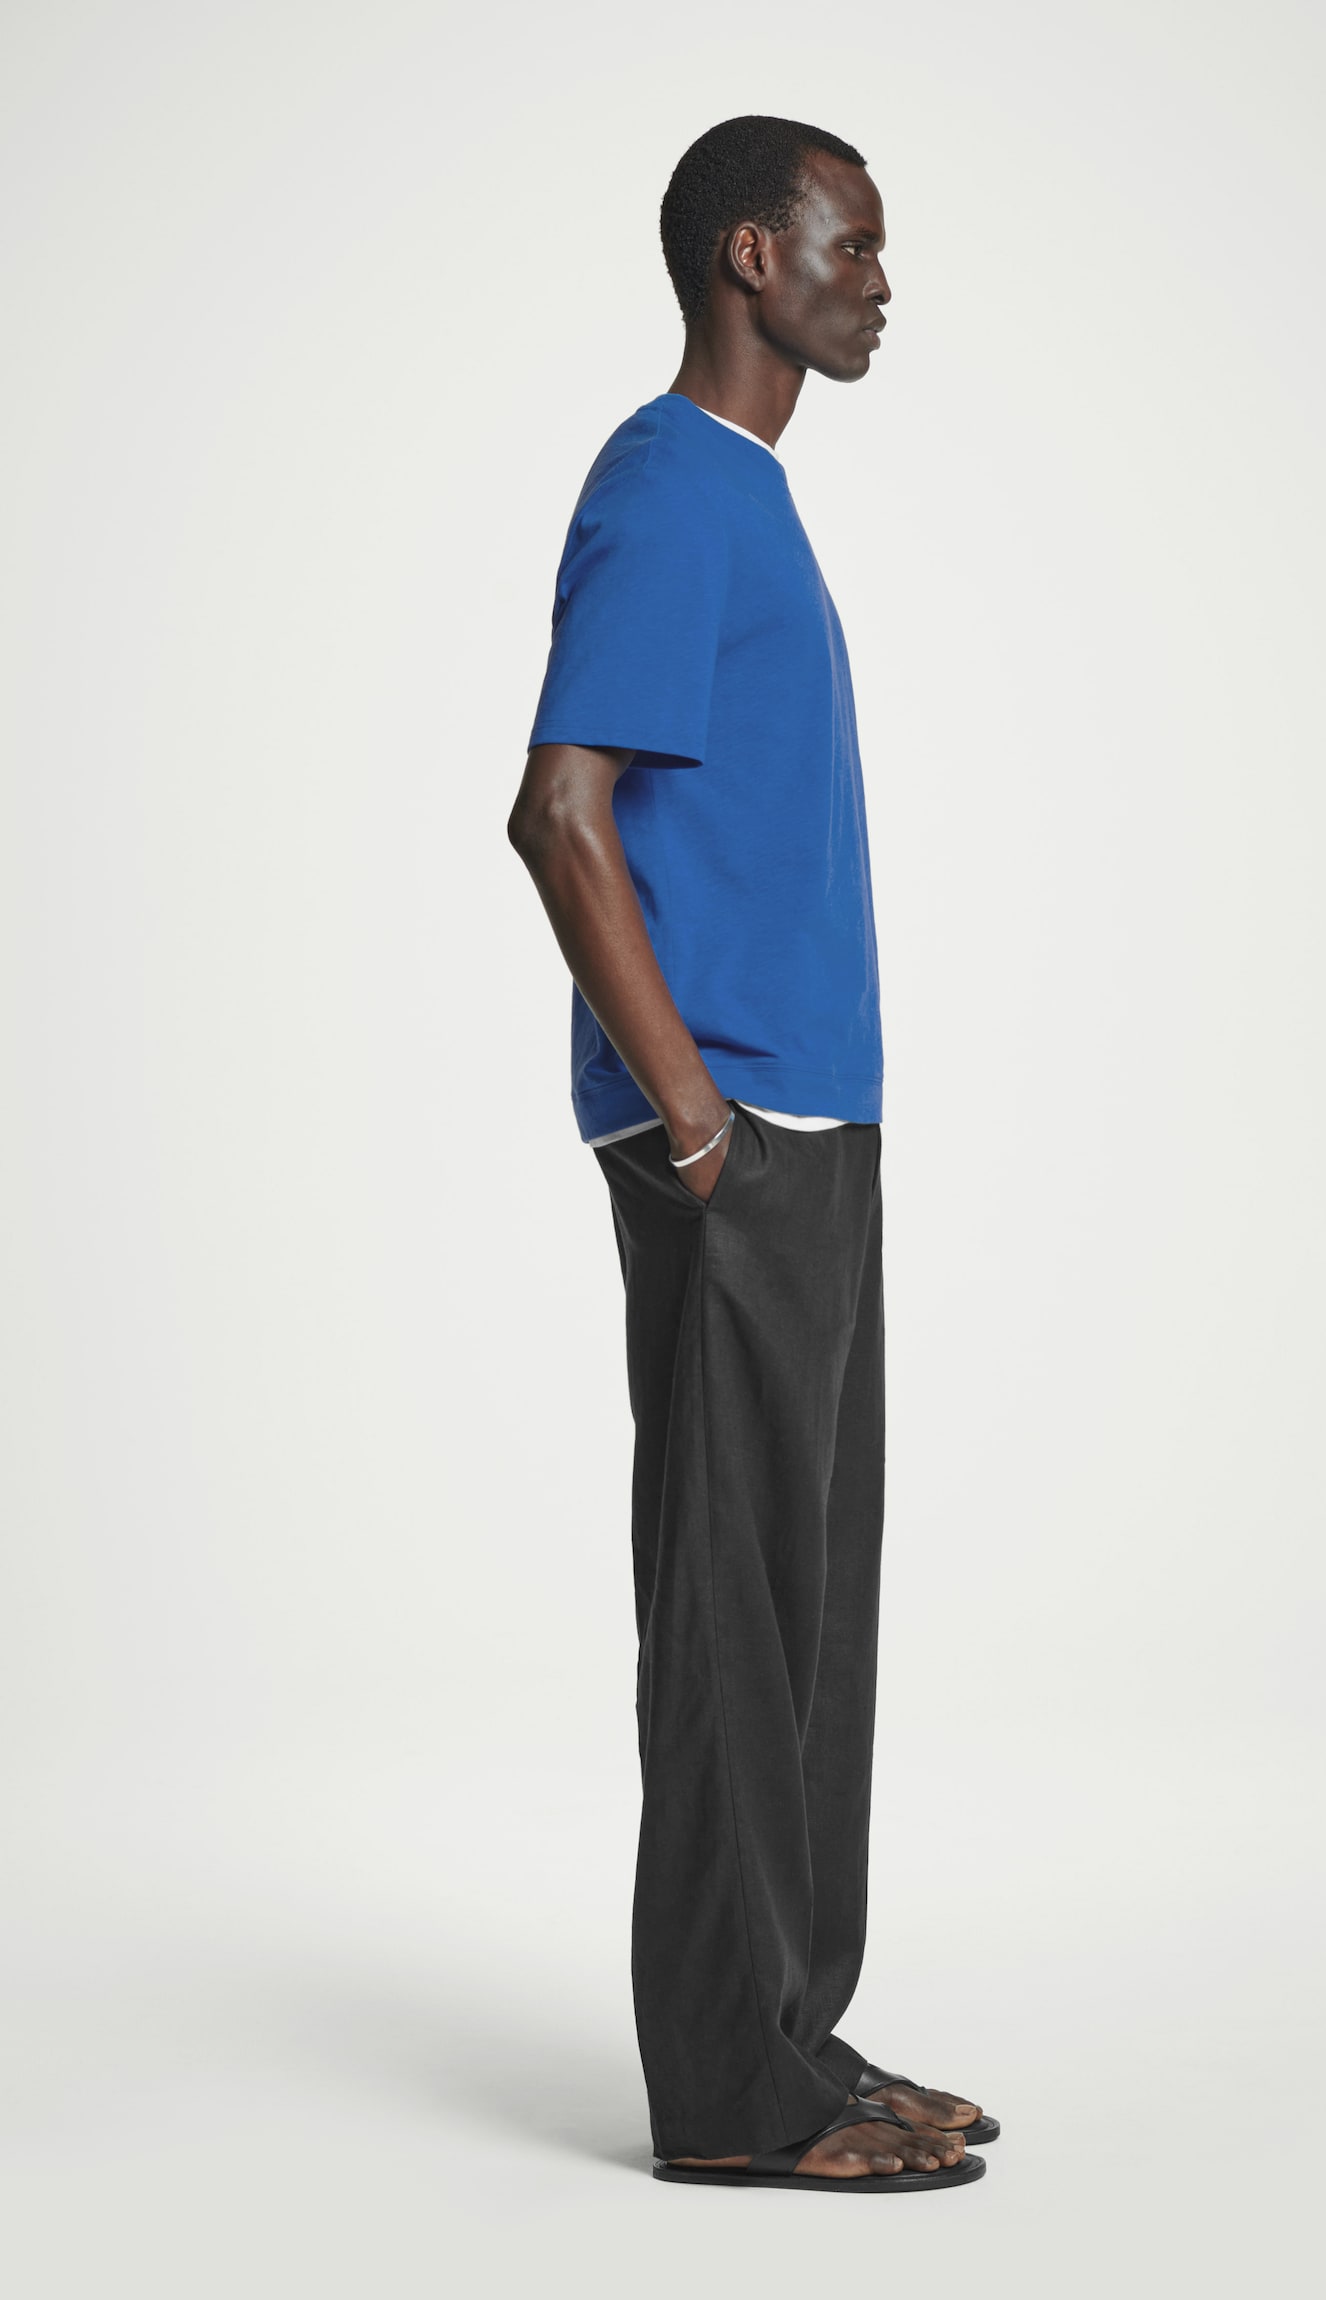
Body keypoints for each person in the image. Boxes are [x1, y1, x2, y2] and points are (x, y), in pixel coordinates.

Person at [507, 115, 993, 2194]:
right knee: (728, 1622)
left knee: (807, 1613)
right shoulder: (668, 486)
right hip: (735, 1138)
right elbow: (558, 813)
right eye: (849, 246)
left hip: (809, 1120)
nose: (879, 282)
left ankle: (794, 2031)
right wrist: (696, 1123)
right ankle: (731, 2100)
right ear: (748, 257)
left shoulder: (747, 495)